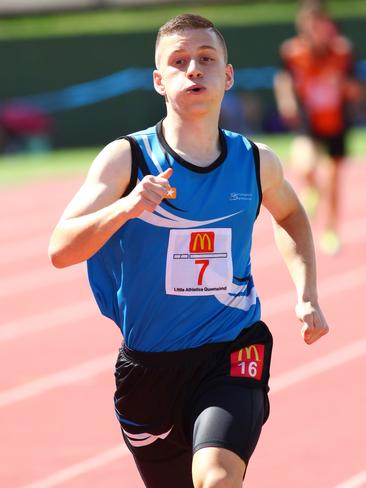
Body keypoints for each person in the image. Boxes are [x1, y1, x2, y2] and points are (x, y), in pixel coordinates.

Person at [48, 14, 329, 488]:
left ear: (228, 75)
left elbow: (291, 216)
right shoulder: (127, 159)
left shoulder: (256, 161)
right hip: (148, 368)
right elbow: (60, 249)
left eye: (206, 59)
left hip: (232, 350)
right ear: (159, 81)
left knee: (216, 478)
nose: (193, 69)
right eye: (179, 62)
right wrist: (127, 208)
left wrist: (307, 294)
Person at [274, 4, 363, 255]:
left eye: (319, 25)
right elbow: (283, 78)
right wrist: (286, 102)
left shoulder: (342, 52)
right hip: (308, 123)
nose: (314, 31)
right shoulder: (293, 52)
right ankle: (311, 187)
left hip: (336, 124)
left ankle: (331, 230)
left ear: (328, 25)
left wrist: (341, 84)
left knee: (334, 180)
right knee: (305, 164)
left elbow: (356, 89)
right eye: (308, 26)